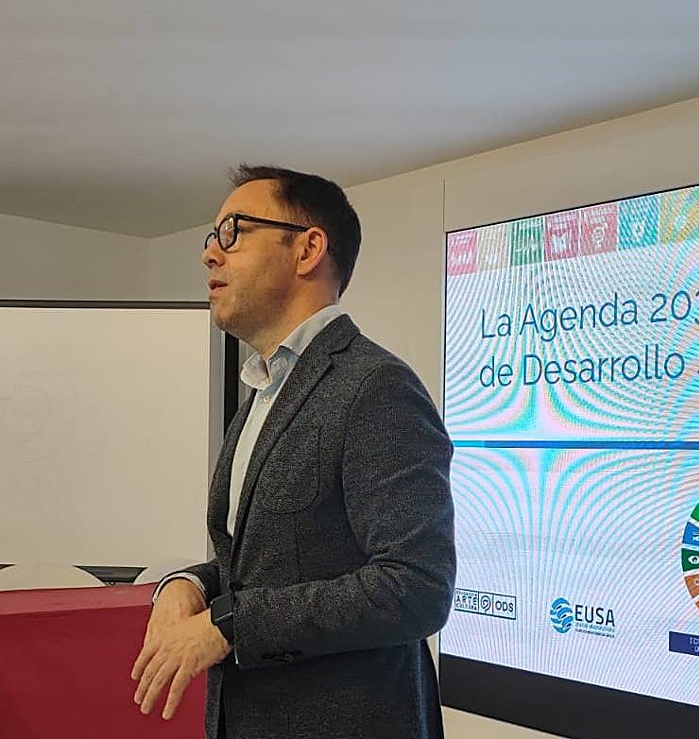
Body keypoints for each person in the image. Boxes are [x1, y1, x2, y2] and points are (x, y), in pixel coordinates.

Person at [131, 165, 456, 739]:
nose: (210, 254)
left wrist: (229, 625)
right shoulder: (263, 392)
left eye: (233, 232)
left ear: (308, 249)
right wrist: (190, 585)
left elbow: (415, 588)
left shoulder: (375, 386)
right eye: (212, 237)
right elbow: (268, 564)